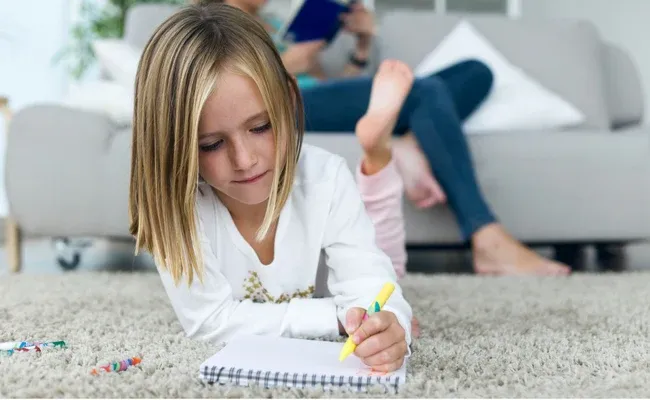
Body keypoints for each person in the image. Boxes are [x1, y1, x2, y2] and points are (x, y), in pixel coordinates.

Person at [129, 3, 416, 372]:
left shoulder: (324, 176)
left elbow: (373, 287)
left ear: (290, 99)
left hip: (345, 246)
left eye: (261, 127)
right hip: (334, 308)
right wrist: (336, 316)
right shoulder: (175, 203)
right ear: (172, 146)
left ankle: (378, 155)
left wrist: (389, 326)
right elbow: (209, 322)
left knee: (394, 267)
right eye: (211, 144)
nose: (245, 160)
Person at [196, 0, 570, 276]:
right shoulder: (215, 29)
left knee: (473, 73)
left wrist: (360, 46)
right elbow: (231, 96)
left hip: (313, 101)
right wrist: (289, 62)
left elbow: (330, 89)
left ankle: (408, 137)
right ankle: (487, 238)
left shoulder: (275, 25)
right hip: (281, 108)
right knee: (424, 92)